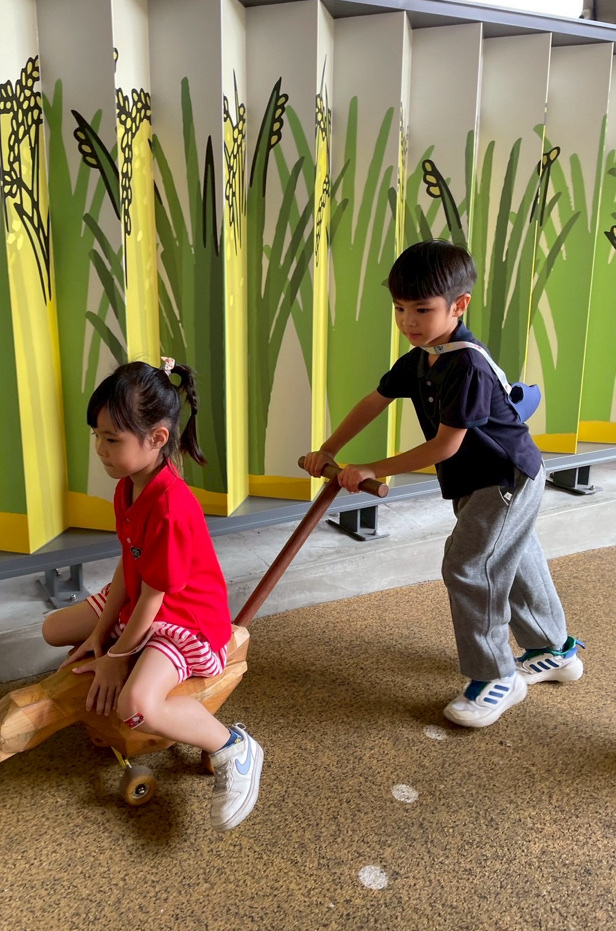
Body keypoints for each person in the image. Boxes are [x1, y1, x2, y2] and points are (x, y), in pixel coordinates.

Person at [303, 240, 583, 729]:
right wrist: (328, 449)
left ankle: (497, 677)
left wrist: (370, 468)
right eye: (399, 308)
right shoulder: (421, 357)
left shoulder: (466, 365)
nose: (408, 321)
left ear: (459, 305)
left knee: (469, 566)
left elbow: (444, 447)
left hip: (506, 479)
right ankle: (553, 650)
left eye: (422, 309)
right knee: (512, 558)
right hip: (478, 480)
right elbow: (373, 402)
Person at [43, 358, 263, 829]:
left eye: (112, 439)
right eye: (97, 435)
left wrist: (117, 656)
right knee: (53, 629)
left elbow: (152, 600)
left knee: (136, 706)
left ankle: (233, 746)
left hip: (183, 619)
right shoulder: (127, 486)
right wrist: (100, 635)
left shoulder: (170, 506)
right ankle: (109, 670)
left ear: (157, 438)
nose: (99, 449)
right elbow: (130, 565)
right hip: (145, 594)